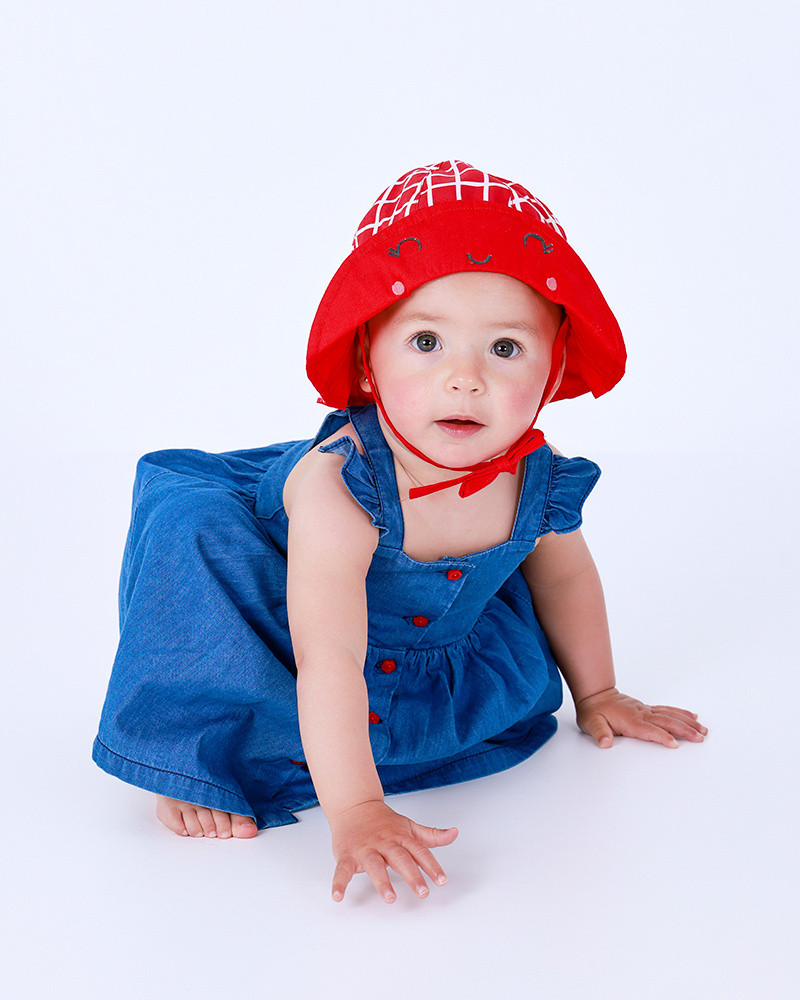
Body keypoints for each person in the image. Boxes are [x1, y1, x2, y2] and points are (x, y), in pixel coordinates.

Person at [93, 160, 706, 903]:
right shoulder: (340, 489)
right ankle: (189, 757)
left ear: (554, 371)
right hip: (288, 620)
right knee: (192, 534)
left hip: (420, 634)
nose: (464, 378)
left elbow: (566, 575)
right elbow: (329, 655)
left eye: (505, 349)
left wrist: (600, 691)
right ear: (368, 358)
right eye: (425, 342)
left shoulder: (534, 480)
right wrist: (356, 809)